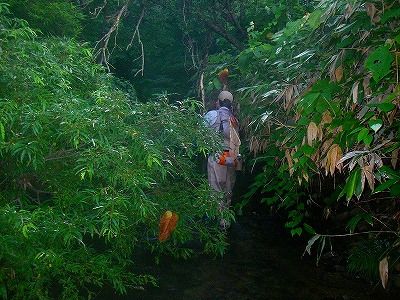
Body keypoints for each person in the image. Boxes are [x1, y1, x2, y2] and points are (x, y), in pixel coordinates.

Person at [204, 90, 241, 230]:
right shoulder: (234, 119)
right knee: (228, 189)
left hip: (217, 157)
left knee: (215, 188)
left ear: (217, 102)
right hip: (231, 159)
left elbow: (202, 134)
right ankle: (225, 221)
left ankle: (213, 219)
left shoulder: (212, 114)